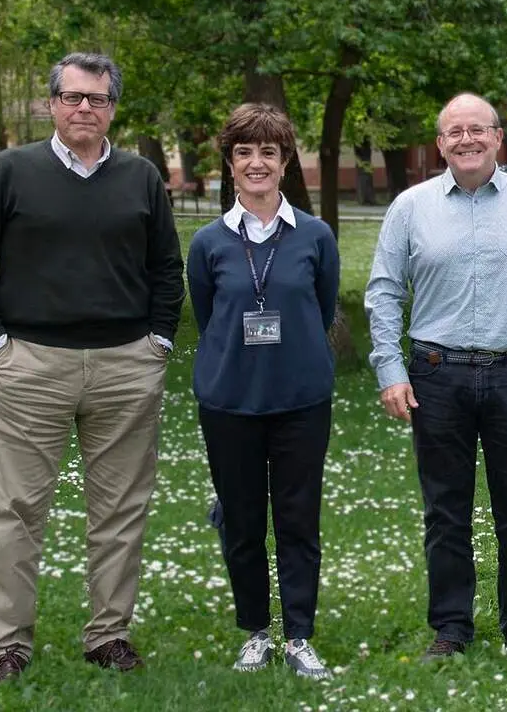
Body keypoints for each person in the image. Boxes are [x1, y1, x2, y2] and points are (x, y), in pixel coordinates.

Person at [0, 52, 185, 683]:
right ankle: (8, 645)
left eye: (98, 99)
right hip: (32, 366)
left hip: (126, 367)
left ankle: (108, 635)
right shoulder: (10, 172)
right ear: (52, 102)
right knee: (18, 510)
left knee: (121, 510)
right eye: (73, 96)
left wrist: (158, 342)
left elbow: (166, 268)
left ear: (112, 109)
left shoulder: (140, 177)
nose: (85, 108)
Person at [365, 93, 507, 669]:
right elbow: (384, 292)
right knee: (445, 512)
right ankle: (451, 627)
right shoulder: (410, 208)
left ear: (497, 138)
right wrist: (390, 369)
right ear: (440, 144)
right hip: (435, 376)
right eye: (454, 132)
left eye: (477, 130)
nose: (466, 140)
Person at [187, 103, 340, 679]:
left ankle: (299, 634)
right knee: (244, 522)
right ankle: (256, 630)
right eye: (244, 152)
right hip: (229, 403)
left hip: (301, 401)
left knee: (299, 521)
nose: (257, 163)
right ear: (230, 163)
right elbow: (208, 316)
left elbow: (322, 309)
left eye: (268, 152)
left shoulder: (316, 237)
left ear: (285, 161)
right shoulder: (208, 242)